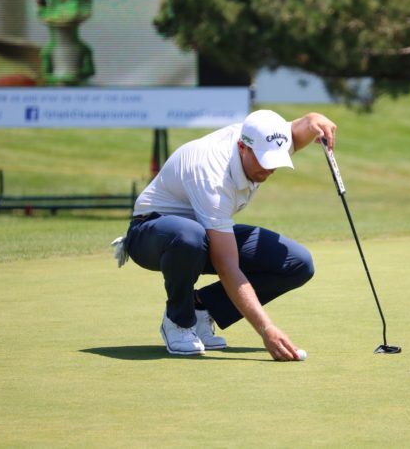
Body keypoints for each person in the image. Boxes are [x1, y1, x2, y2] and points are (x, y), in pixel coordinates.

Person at [114, 110, 337, 361]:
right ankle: (179, 320)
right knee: (190, 236)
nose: (271, 167)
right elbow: (227, 267)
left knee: (297, 263)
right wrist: (266, 329)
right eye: (265, 160)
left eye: (276, 159)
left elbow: (301, 127)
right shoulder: (213, 176)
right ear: (242, 147)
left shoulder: (268, 137)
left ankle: (201, 308)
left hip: (202, 232)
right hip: (151, 233)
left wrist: (315, 120)